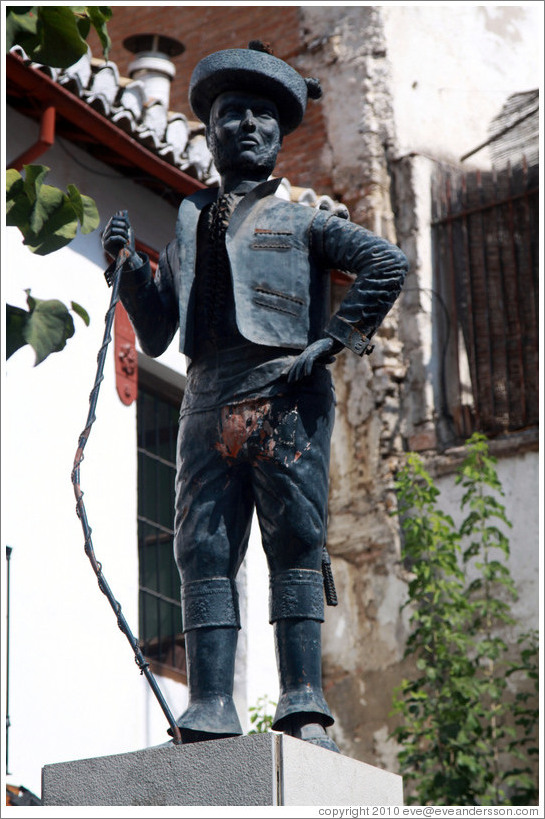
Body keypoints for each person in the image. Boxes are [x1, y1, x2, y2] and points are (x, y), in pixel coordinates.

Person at [102, 41, 408, 753]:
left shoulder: (303, 223)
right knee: (203, 548)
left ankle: (303, 700)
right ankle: (210, 701)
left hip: (281, 396)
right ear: (209, 133)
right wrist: (127, 268)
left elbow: (383, 263)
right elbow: (154, 332)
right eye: (230, 114)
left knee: (294, 544)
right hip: (206, 398)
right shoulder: (185, 226)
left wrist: (333, 342)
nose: (244, 125)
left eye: (260, 117)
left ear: (279, 136)